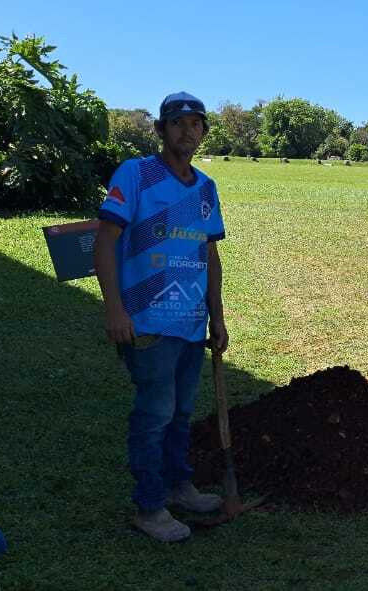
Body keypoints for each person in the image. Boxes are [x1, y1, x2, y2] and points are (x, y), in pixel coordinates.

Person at [94, 92, 229, 542]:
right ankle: (149, 507)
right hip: (145, 321)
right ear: (160, 129)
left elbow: (209, 254)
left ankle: (179, 486)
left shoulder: (206, 188)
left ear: (204, 133)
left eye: (196, 124)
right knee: (155, 414)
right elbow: (105, 241)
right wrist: (114, 307)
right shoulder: (136, 174)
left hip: (190, 323)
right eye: (177, 123)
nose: (187, 131)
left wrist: (218, 317)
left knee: (181, 411)